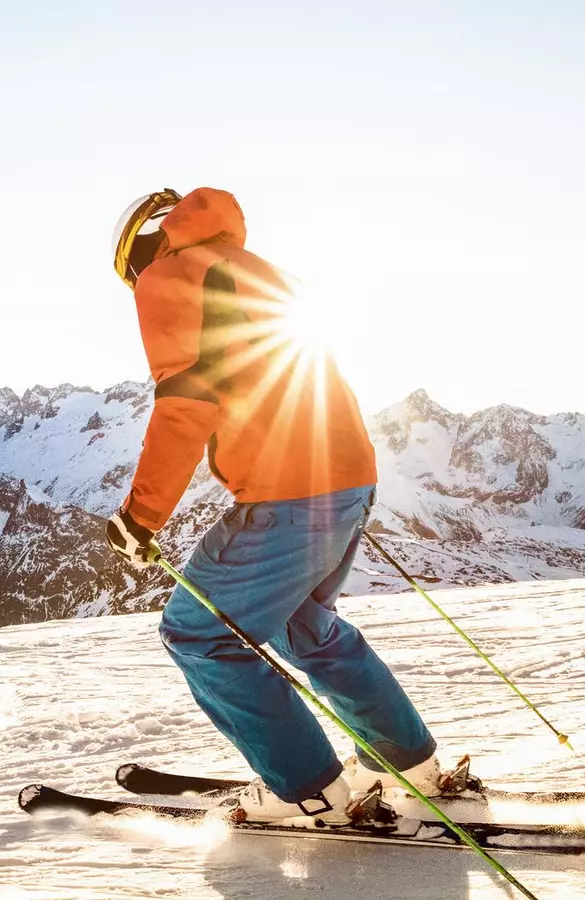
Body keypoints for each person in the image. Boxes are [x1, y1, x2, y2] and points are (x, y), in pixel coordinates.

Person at [103, 187, 449, 825]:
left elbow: (186, 401)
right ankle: (407, 762)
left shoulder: (170, 276)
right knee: (306, 629)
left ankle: (305, 788)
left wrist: (141, 516)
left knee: (196, 633)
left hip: (290, 489)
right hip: (345, 475)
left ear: (139, 249)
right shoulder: (257, 269)